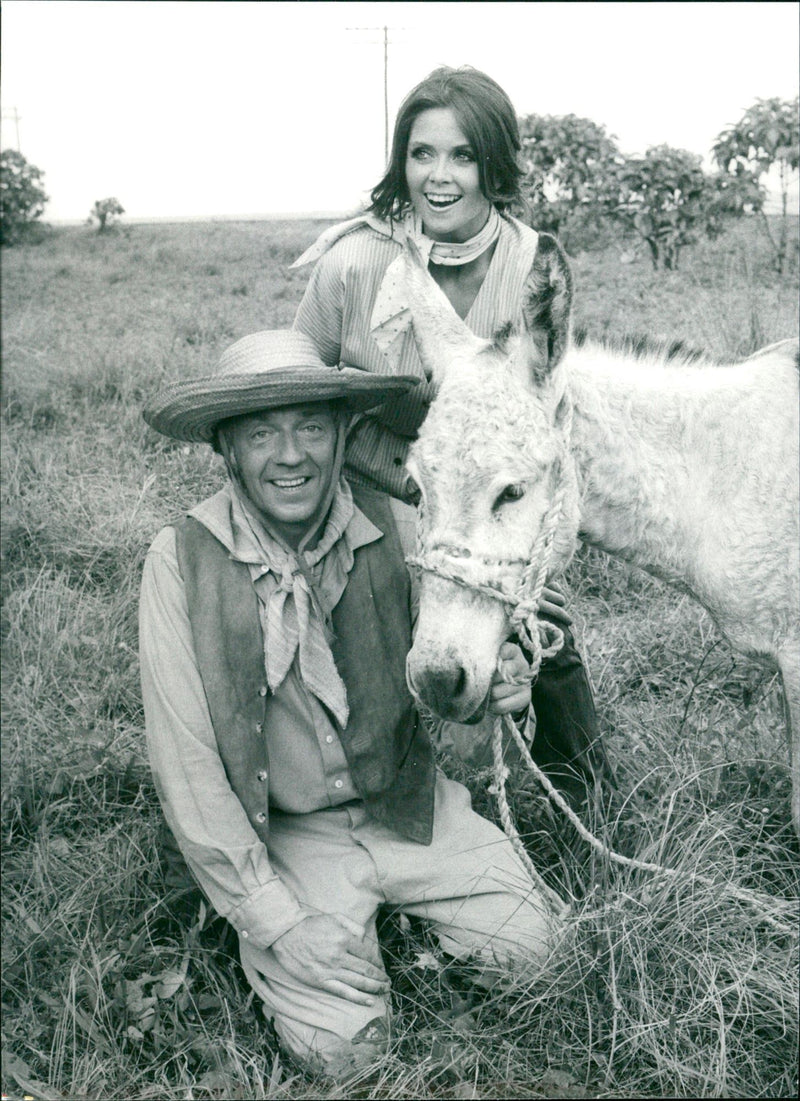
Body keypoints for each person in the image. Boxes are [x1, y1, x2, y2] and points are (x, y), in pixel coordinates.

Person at [139, 330, 565, 1078]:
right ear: (226, 448)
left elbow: (449, 722)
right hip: (290, 839)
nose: (291, 454)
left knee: (543, 958)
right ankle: (325, 949)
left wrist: (495, 699)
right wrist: (274, 919)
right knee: (348, 1055)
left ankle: (411, 917)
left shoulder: (397, 527)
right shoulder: (179, 561)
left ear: (342, 434)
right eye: (262, 432)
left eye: (311, 425)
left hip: (411, 805)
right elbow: (190, 768)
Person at [291, 65, 611, 796]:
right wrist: (405, 485)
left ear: (494, 166)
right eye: (421, 153)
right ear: (401, 161)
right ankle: (380, 789)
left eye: (462, 155)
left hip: (472, 494)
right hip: (369, 479)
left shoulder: (530, 265)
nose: (439, 176)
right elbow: (299, 392)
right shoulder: (355, 264)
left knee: (534, 611)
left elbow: (536, 418)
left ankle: (582, 791)